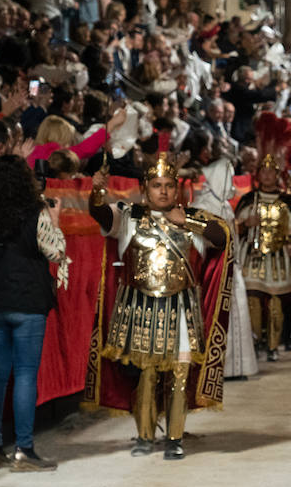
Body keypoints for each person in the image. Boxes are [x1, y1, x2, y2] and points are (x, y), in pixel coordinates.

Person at [83, 140, 231, 459]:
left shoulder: (191, 217)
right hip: (141, 306)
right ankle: (145, 436)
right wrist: (97, 192)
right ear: (144, 188)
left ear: (176, 188)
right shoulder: (129, 216)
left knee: (179, 371)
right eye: (156, 186)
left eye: (168, 186)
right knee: (148, 373)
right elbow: (100, 215)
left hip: (180, 307)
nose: (163, 192)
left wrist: (187, 222)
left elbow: (222, 237)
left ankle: (174, 438)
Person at [0, 156, 69, 471]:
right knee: (26, 374)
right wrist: (54, 219)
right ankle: (24, 450)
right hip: (28, 301)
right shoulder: (36, 214)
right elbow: (56, 251)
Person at [188, 131, 259, 380]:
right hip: (214, 268)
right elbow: (203, 237)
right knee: (219, 315)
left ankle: (236, 367)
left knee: (236, 315)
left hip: (231, 265)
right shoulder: (203, 204)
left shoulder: (223, 204)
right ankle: (218, 366)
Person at [235, 152, 291, 362]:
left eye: (271, 172)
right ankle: (255, 341)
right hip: (254, 257)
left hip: (278, 259)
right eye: (263, 171)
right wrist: (245, 224)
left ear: (277, 175)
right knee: (253, 302)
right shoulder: (249, 199)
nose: (267, 175)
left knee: (276, 306)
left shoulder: (287, 201)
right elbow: (234, 228)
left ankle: (273, 345)